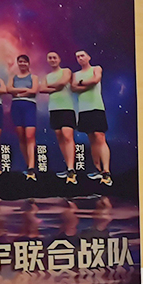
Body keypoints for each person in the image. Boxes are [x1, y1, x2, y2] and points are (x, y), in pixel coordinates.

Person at [71, 50, 111, 185]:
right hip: (83, 110)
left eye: (82, 55)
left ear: (88, 57)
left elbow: (95, 80)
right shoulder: (75, 74)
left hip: (96, 107)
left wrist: (81, 83)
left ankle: (106, 171)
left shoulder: (96, 68)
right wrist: (84, 85)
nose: (80, 58)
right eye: (77, 57)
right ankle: (97, 169)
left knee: (100, 136)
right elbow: (73, 88)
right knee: (92, 139)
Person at [41, 51, 77, 184]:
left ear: (59, 59)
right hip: (53, 109)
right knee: (60, 136)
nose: (52, 60)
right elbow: (41, 89)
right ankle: (68, 167)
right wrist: (54, 88)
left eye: (54, 57)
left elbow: (63, 83)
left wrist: (50, 87)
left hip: (66, 108)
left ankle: (71, 168)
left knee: (67, 136)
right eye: (50, 58)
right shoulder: (47, 76)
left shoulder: (66, 71)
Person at [8, 54, 39, 180]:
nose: (22, 64)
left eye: (24, 62)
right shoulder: (13, 77)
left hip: (29, 106)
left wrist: (18, 92)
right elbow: (9, 89)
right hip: (16, 106)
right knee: (21, 135)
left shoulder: (33, 77)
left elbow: (34, 90)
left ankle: (32, 166)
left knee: (29, 135)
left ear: (28, 63)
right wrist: (25, 90)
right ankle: (28, 164)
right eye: (20, 61)